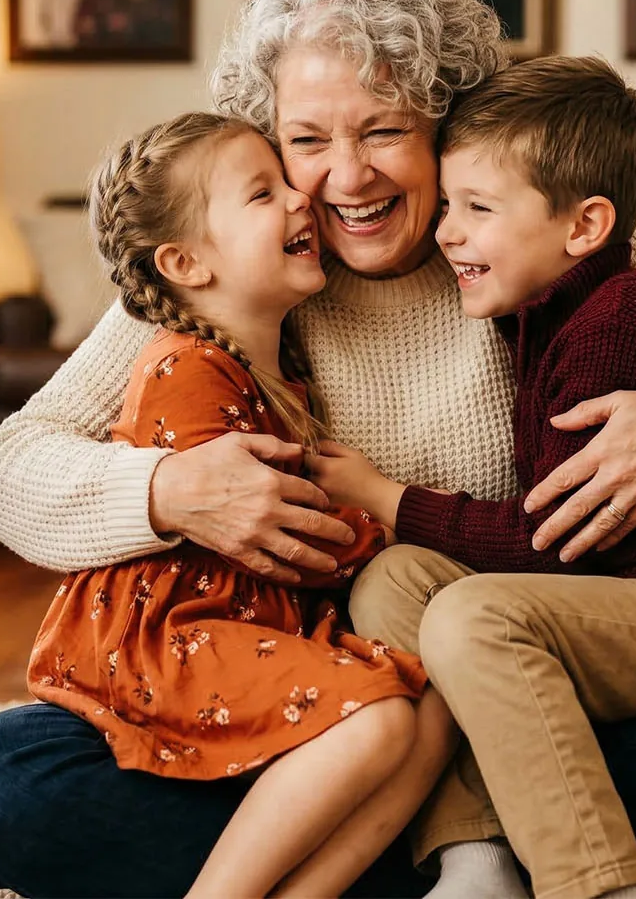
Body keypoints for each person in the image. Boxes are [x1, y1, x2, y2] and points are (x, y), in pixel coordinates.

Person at [0, 0, 636, 899]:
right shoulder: (238, 268)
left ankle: (392, 856)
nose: (344, 179)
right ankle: (426, 854)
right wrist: (170, 489)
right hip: (298, 698)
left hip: (508, 682)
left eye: (381, 131)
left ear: (444, 123)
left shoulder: (525, 232)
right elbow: (9, 468)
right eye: (305, 142)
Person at [310, 55, 636, 899]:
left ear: (583, 228)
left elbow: (555, 549)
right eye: (449, 204)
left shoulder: (618, 325)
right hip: (611, 614)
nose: (447, 233)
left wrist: (382, 496)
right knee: (396, 581)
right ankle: (476, 861)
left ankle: (597, 886)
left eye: (477, 209)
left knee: (476, 613)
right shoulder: (544, 308)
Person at [31, 111, 456, 896]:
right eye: (265, 193)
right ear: (186, 262)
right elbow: (280, 537)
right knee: (383, 715)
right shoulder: (185, 367)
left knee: (431, 711)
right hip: (178, 635)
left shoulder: (274, 371)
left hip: (249, 628)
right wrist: (389, 521)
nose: (304, 199)